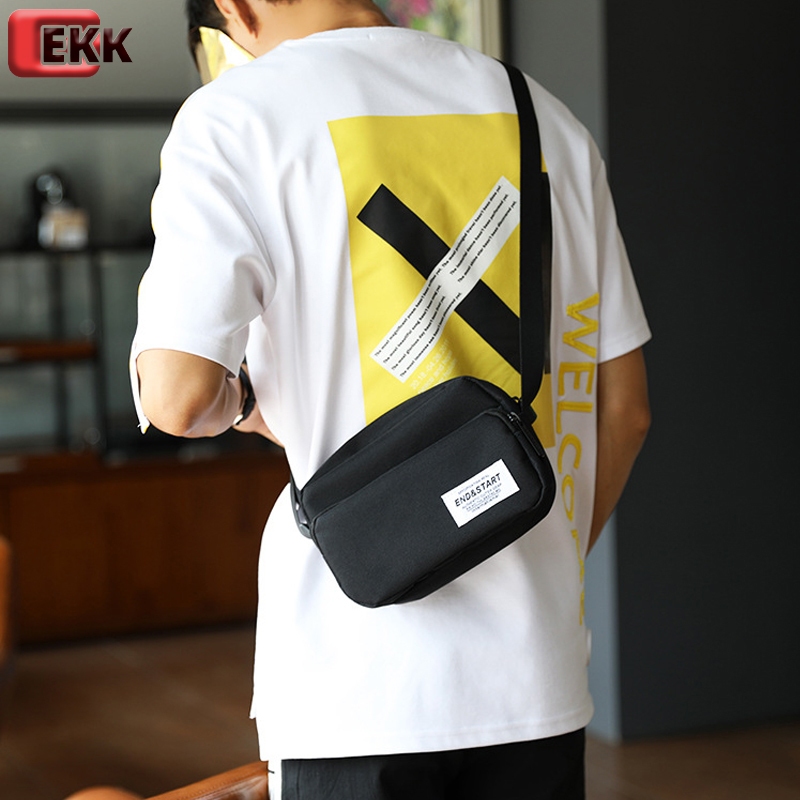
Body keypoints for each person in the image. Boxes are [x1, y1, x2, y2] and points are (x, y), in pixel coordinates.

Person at [131, 1, 651, 797]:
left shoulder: (236, 116)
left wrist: (242, 406)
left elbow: (176, 397)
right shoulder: (544, 115)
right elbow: (626, 411)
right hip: (536, 669)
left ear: (234, 9)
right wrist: (540, 555)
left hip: (358, 677)